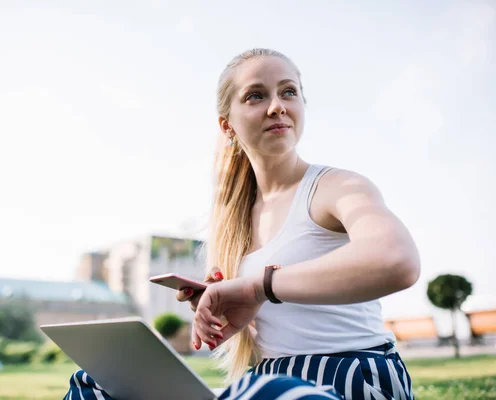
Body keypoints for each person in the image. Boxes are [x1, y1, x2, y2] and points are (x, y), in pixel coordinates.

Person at [64, 48, 420, 400]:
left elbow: (396, 260)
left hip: (350, 376)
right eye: (256, 95)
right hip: (266, 378)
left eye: (288, 91)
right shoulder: (235, 220)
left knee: (267, 391)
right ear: (227, 125)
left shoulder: (336, 186)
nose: (277, 105)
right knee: (96, 379)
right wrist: (227, 306)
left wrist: (255, 288)